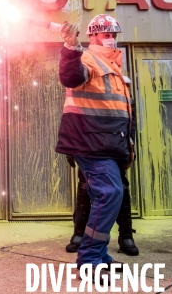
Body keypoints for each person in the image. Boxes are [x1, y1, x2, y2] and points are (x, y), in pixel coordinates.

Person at [56, 14, 134, 276]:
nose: (110, 39)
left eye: (113, 34)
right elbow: (70, 76)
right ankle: (89, 259)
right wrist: (70, 48)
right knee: (110, 193)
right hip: (90, 141)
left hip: (108, 143)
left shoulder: (114, 66)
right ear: (93, 36)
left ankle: (99, 254)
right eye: (105, 34)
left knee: (111, 195)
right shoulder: (88, 58)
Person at [65, 77, 139, 257]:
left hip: (116, 148)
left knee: (119, 189)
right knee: (85, 187)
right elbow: (73, 118)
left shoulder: (123, 93)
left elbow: (131, 124)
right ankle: (80, 234)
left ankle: (125, 235)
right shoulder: (86, 89)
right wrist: (71, 149)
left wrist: (129, 149)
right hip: (89, 147)